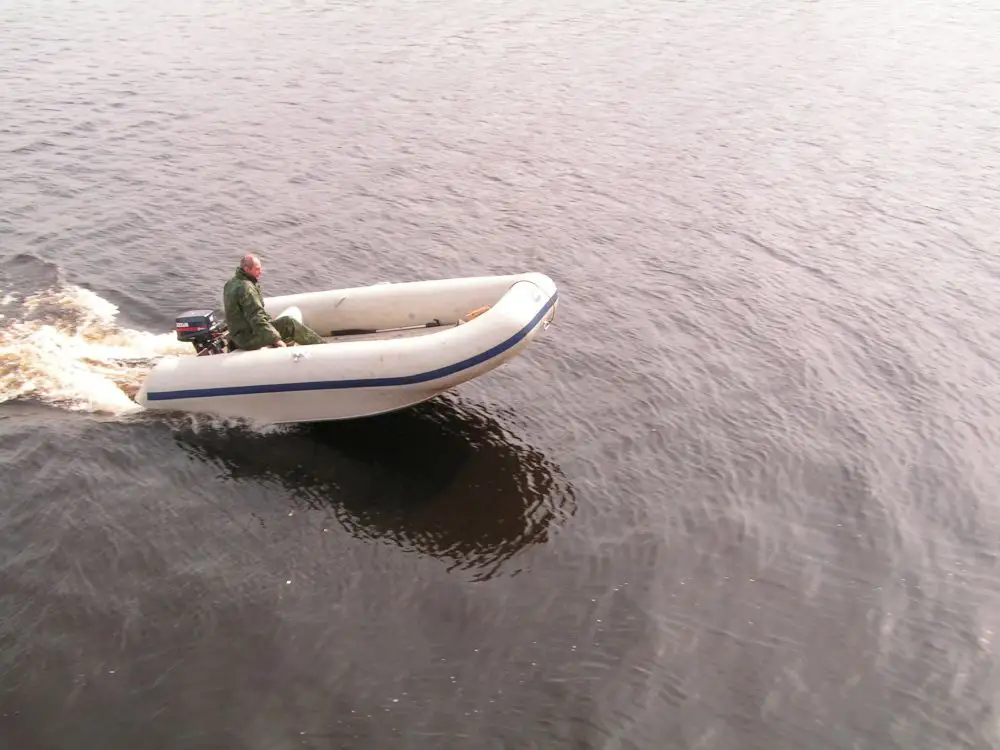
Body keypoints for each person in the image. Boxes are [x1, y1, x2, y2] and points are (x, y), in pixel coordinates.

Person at [223, 253, 325, 350]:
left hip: (238, 335)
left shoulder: (231, 283)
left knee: (281, 324)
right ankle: (323, 348)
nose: (260, 272)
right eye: (257, 269)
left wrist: (270, 322)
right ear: (246, 269)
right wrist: (275, 339)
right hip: (247, 338)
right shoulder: (247, 288)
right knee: (289, 324)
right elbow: (256, 317)